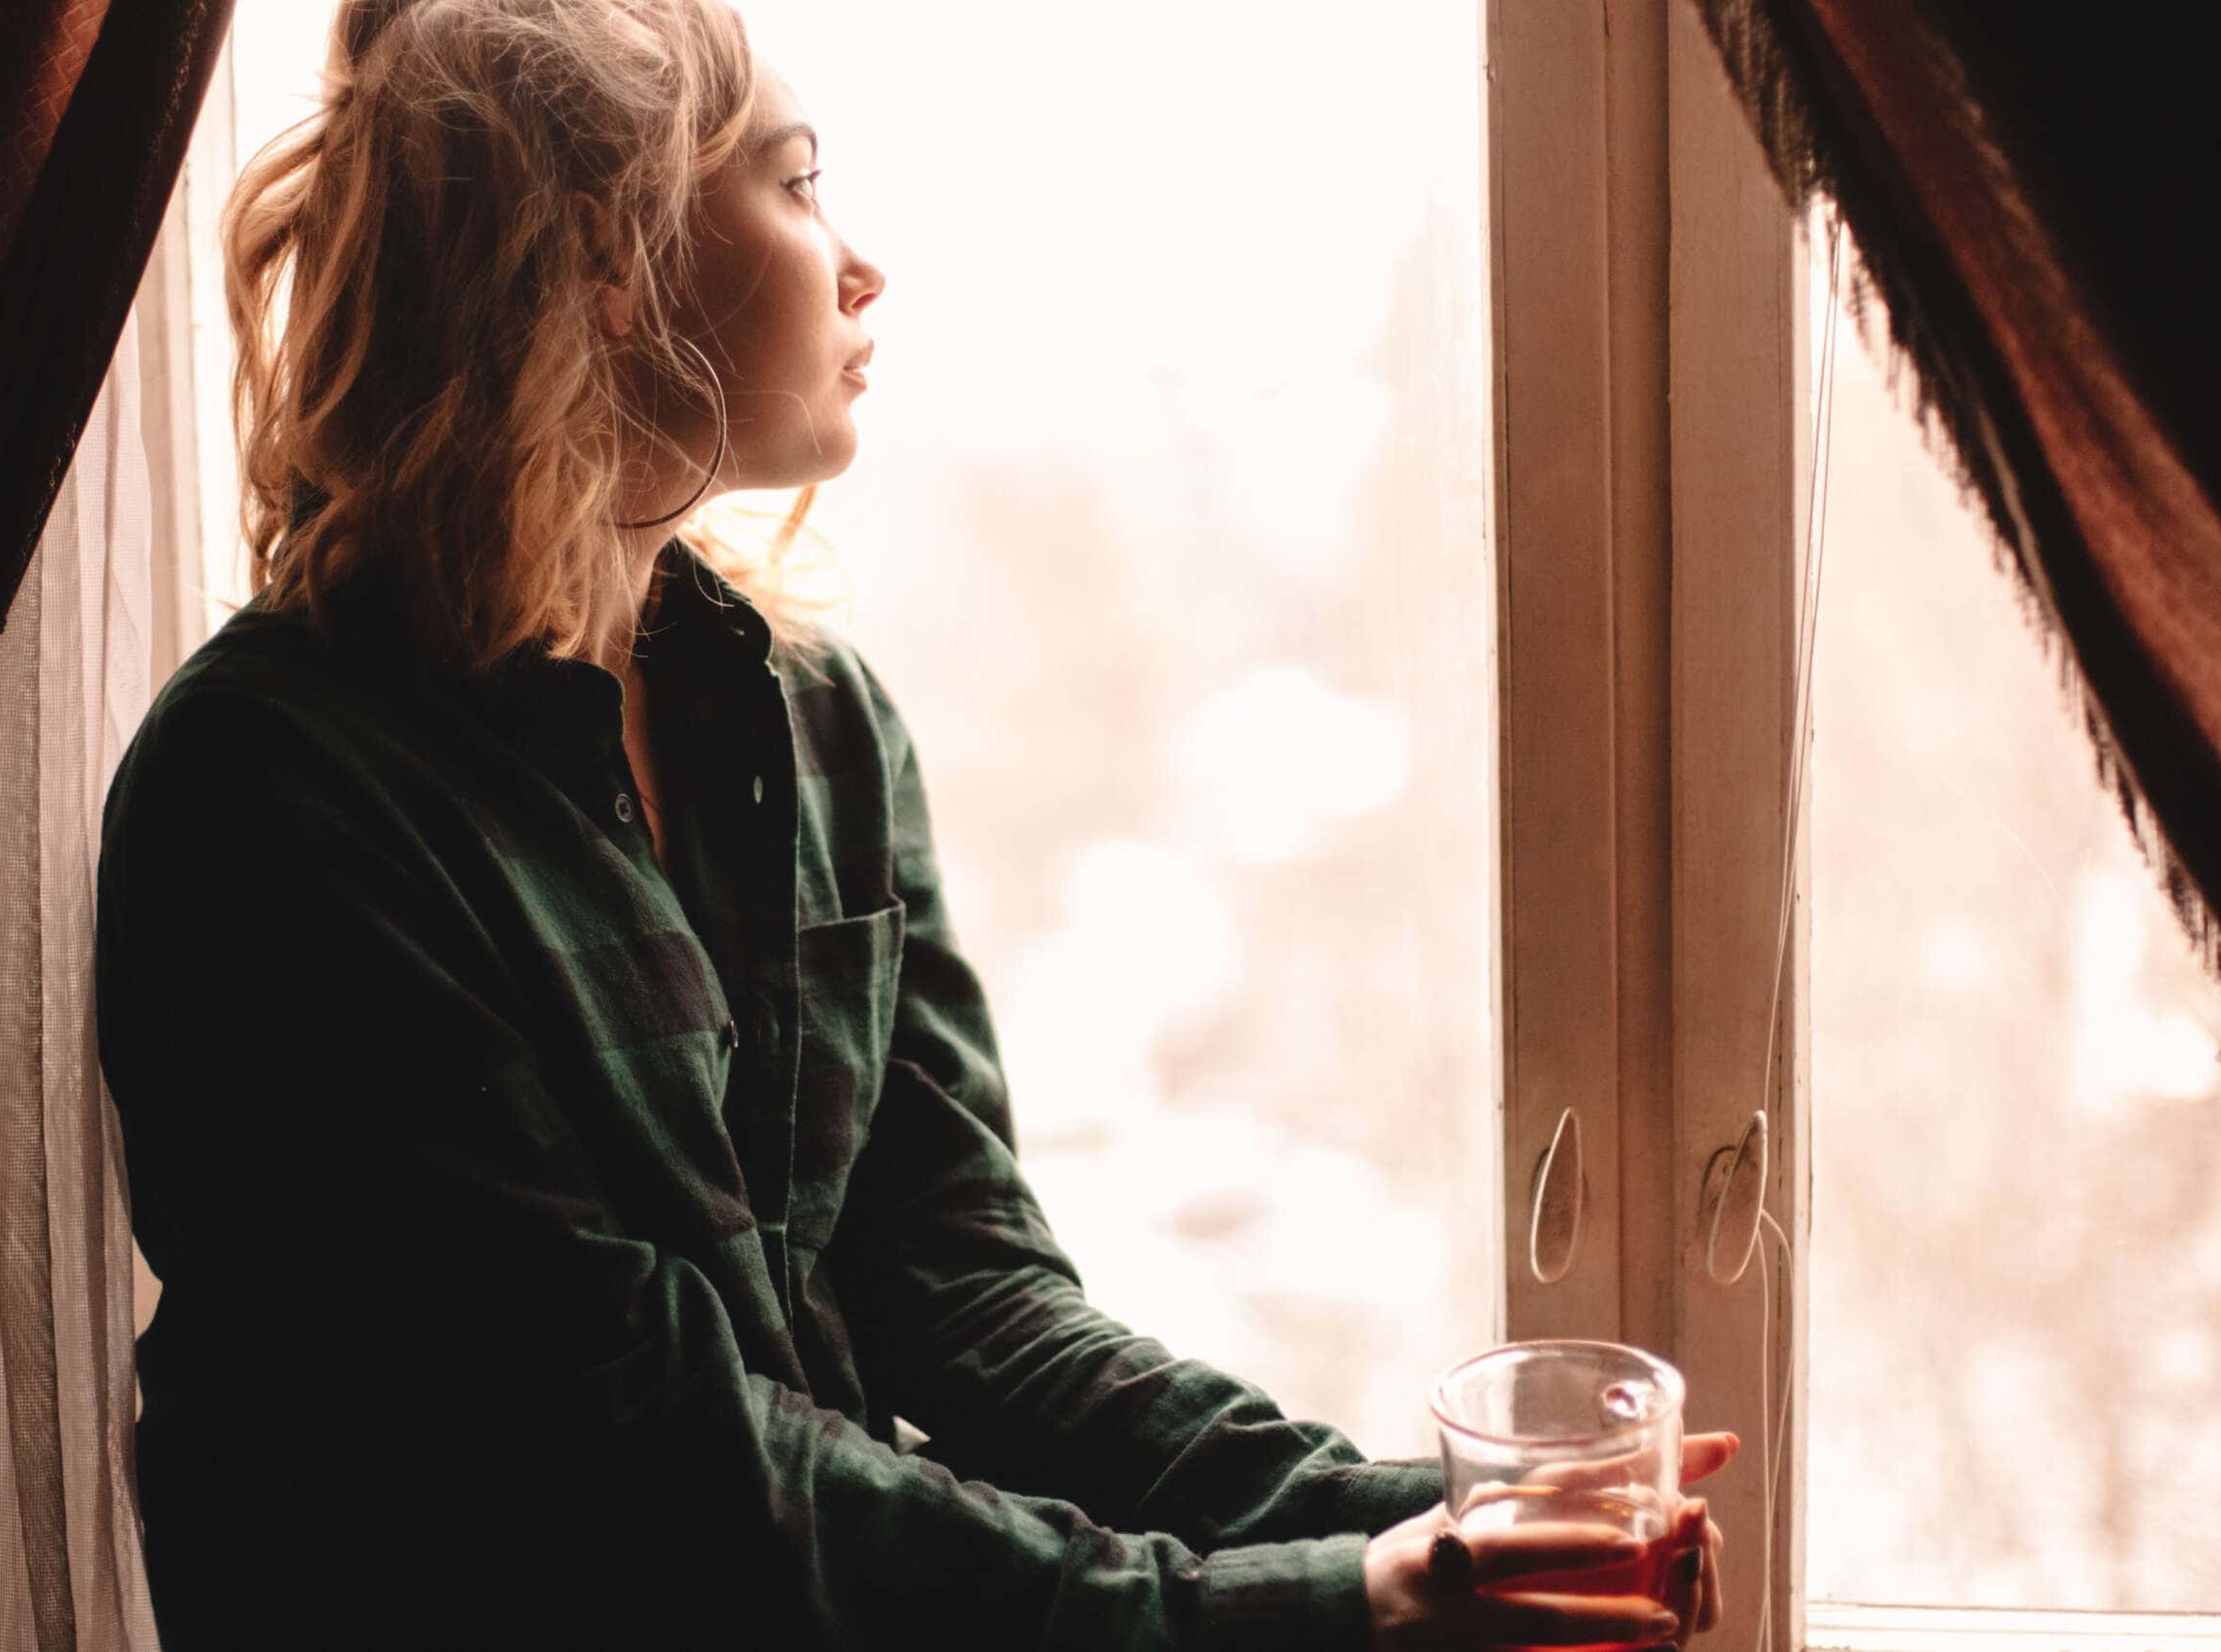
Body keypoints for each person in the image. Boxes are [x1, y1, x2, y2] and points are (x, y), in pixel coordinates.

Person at [94, 2, 1731, 1646]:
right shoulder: (271, 802)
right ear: (604, 255)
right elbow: (644, 1467)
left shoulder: (812, 726)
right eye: (798, 187)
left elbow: (970, 1298)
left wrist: (1443, 1516)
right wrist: (1336, 1607)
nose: (861, 265)